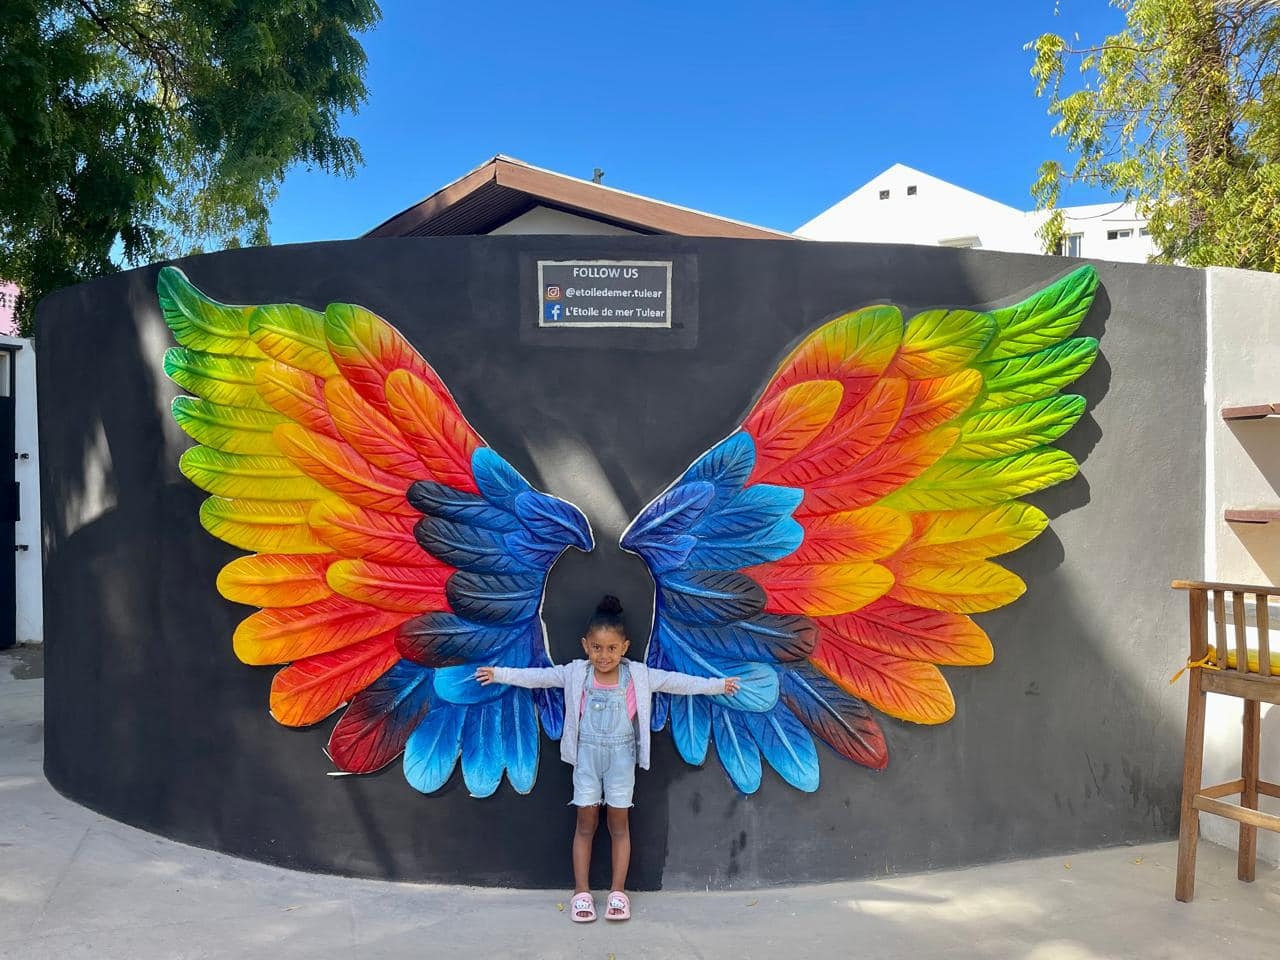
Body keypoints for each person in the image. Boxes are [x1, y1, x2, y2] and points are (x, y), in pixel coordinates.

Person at [475, 594, 740, 923]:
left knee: (619, 825)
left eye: (612, 648)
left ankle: (618, 892)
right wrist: (499, 674)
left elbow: (679, 683)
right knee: (585, 824)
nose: (604, 655)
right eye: (597, 648)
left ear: (624, 647)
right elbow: (537, 677)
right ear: (586, 645)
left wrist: (718, 685)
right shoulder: (574, 674)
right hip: (586, 760)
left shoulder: (640, 676)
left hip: (621, 761)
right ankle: (581, 892)